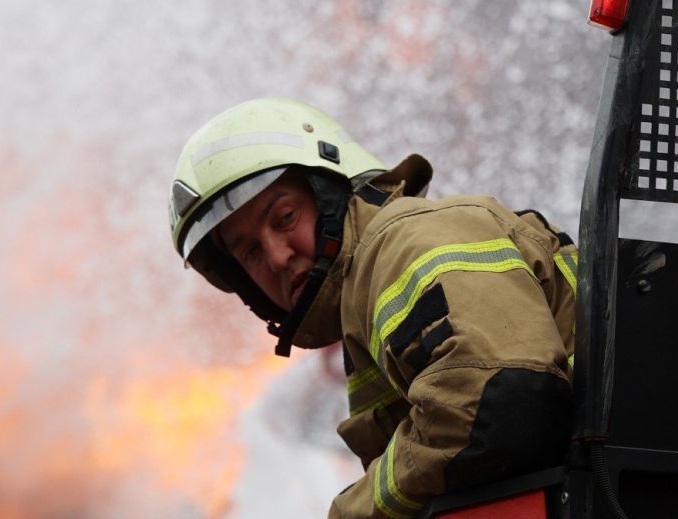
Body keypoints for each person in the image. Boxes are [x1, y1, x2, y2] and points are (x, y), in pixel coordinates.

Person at [168, 97, 577, 518]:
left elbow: (499, 406)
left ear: (328, 191)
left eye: (285, 216)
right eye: (250, 252)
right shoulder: (361, 303)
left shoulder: (408, 242)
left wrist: (350, 513)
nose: (275, 256)